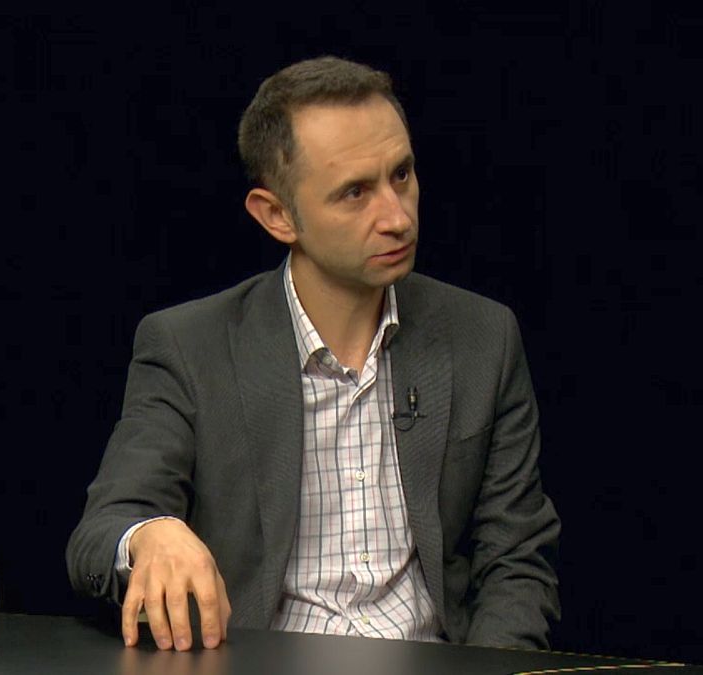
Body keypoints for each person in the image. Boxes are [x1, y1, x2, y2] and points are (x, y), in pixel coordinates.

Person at [66, 56, 560, 653]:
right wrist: (151, 534)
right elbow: (100, 533)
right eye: (355, 192)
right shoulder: (190, 348)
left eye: (401, 175)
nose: (397, 217)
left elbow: (516, 562)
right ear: (277, 216)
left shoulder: (483, 337)